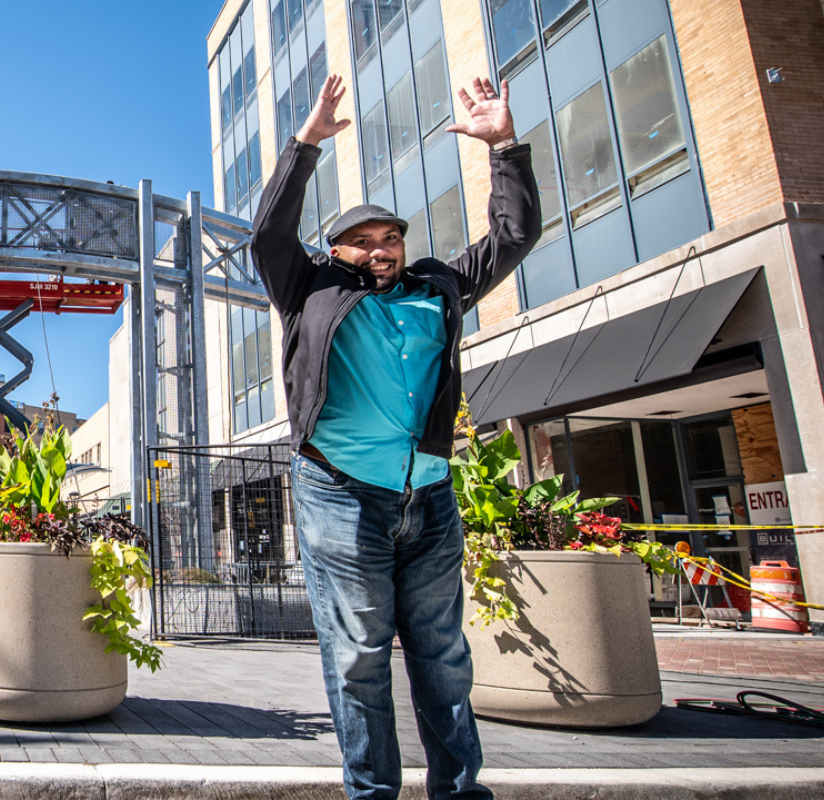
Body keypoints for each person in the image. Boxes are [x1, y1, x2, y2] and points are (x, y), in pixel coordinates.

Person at [251, 74, 540, 800]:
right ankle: (373, 794)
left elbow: (514, 236)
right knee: (358, 657)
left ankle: (460, 792)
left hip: (430, 499)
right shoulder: (309, 289)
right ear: (336, 250)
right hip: (341, 494)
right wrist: (307, 142)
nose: (381, 247)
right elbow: (268, 234)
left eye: (391, 237)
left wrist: (503, 145)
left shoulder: (438, 286)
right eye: (363, 240)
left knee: (443, 654)